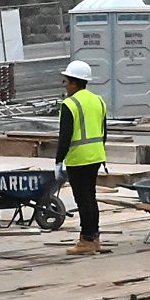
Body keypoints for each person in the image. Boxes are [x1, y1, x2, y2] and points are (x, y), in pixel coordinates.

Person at [57, 59, 107, 255]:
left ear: (74, 82)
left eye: (66, 81)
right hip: (96, 156)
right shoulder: (98, 100)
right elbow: (104, 132)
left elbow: (65, 136)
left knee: (83, 200)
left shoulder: (70, 104)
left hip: (78, 159)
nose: (65, 86)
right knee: (90, 198)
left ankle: (87, 240)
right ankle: (93, 237)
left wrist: (58, 160)